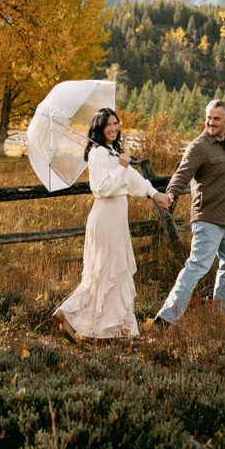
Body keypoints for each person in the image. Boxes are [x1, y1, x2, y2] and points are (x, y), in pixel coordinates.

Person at [53, 107, 172, 341]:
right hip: (105, 218)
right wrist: (121, 167)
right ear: (99, 128)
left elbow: (133, 180)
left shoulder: (111, 152)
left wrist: (154, 193)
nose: (113, 128)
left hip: (117, 219)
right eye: (108, 125)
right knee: (104, 272)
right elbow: (101, 188)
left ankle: (114, 329)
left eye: (116, 124)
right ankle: (68, 313)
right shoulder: (98, 154)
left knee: (115, 272)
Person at [153, 99, 225, 326]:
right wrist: (171, 194)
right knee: (198, 265)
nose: (211, 122)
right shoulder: (199, 146)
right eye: (209, 117)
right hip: (207, 217)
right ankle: (166, 318)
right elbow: (182, 173)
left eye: (216, 118)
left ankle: (223, 315)